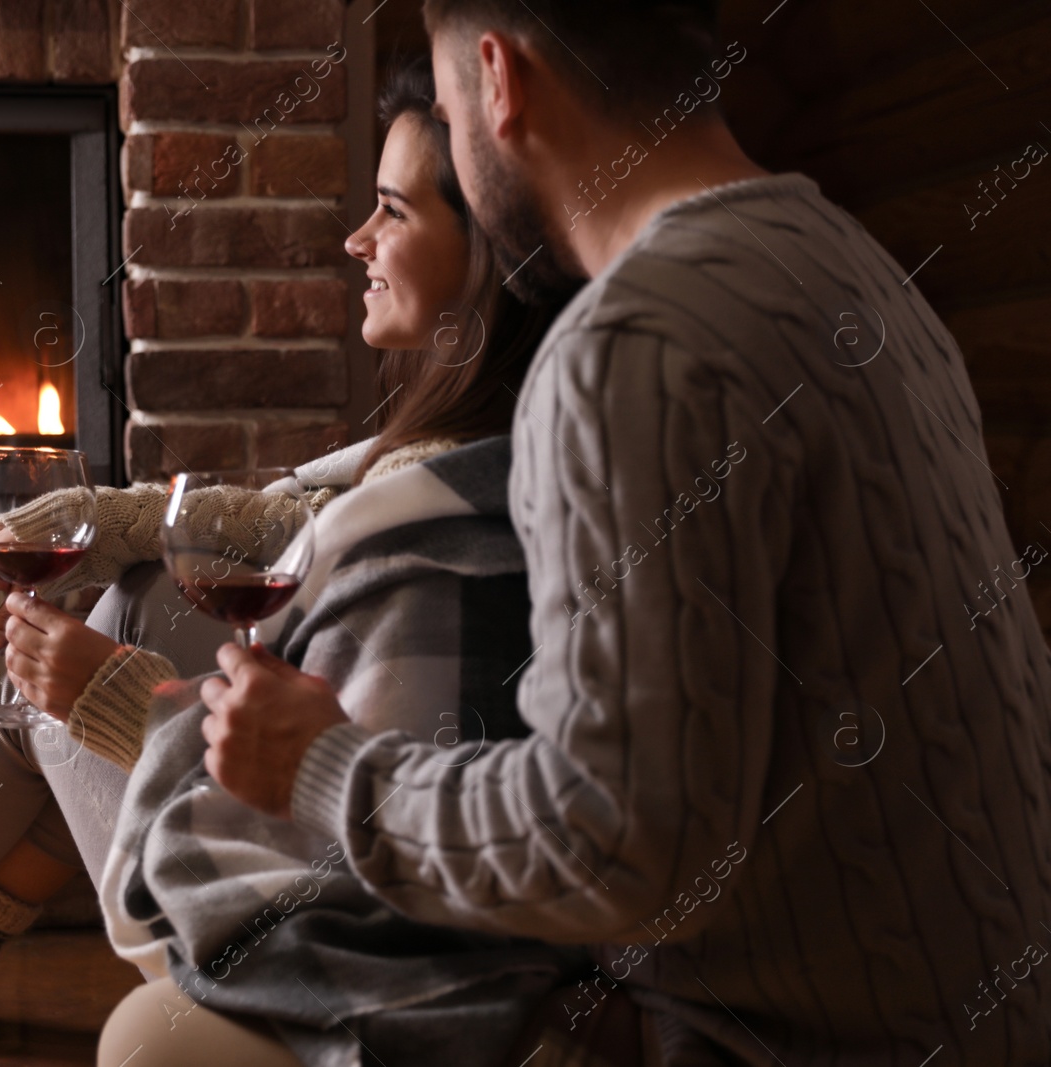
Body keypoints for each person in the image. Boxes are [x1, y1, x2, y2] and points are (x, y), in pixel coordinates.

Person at [189, 2, 1051, 1065]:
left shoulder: (629, 343)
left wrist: (323, 767)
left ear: (498, 80)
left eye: (451, 115)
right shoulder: (859, 270)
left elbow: (611, 844)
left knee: (166, 1026)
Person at [0, 58, 572, 1055]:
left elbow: (357, 844)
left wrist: (115, 697)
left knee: (65, 665)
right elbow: (293, 521)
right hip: (338, 856)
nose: (353, 239)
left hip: (330, 951)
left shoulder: (453, 524)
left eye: (391, 213)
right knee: (127, 601)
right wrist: (92, 516)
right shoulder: (458, 445)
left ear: (484, 252)